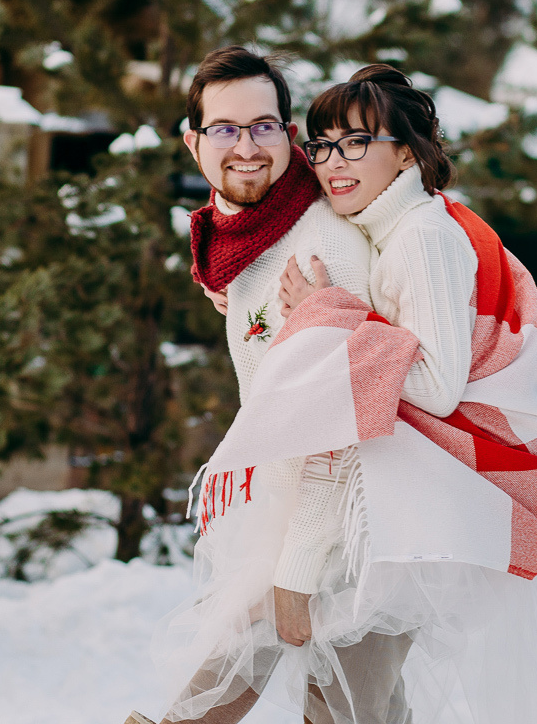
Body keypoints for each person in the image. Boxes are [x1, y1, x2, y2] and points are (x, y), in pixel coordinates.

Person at [137, 46, 380, 724]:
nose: (245, 146)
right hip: (289, 500)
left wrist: (298, 565)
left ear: (289, 134)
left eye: (263, 126)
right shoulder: (234, 240)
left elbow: (350, 421)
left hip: (355, 523)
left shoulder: (325, 243)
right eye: (224, 129)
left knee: (344, 709)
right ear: (193, 142)